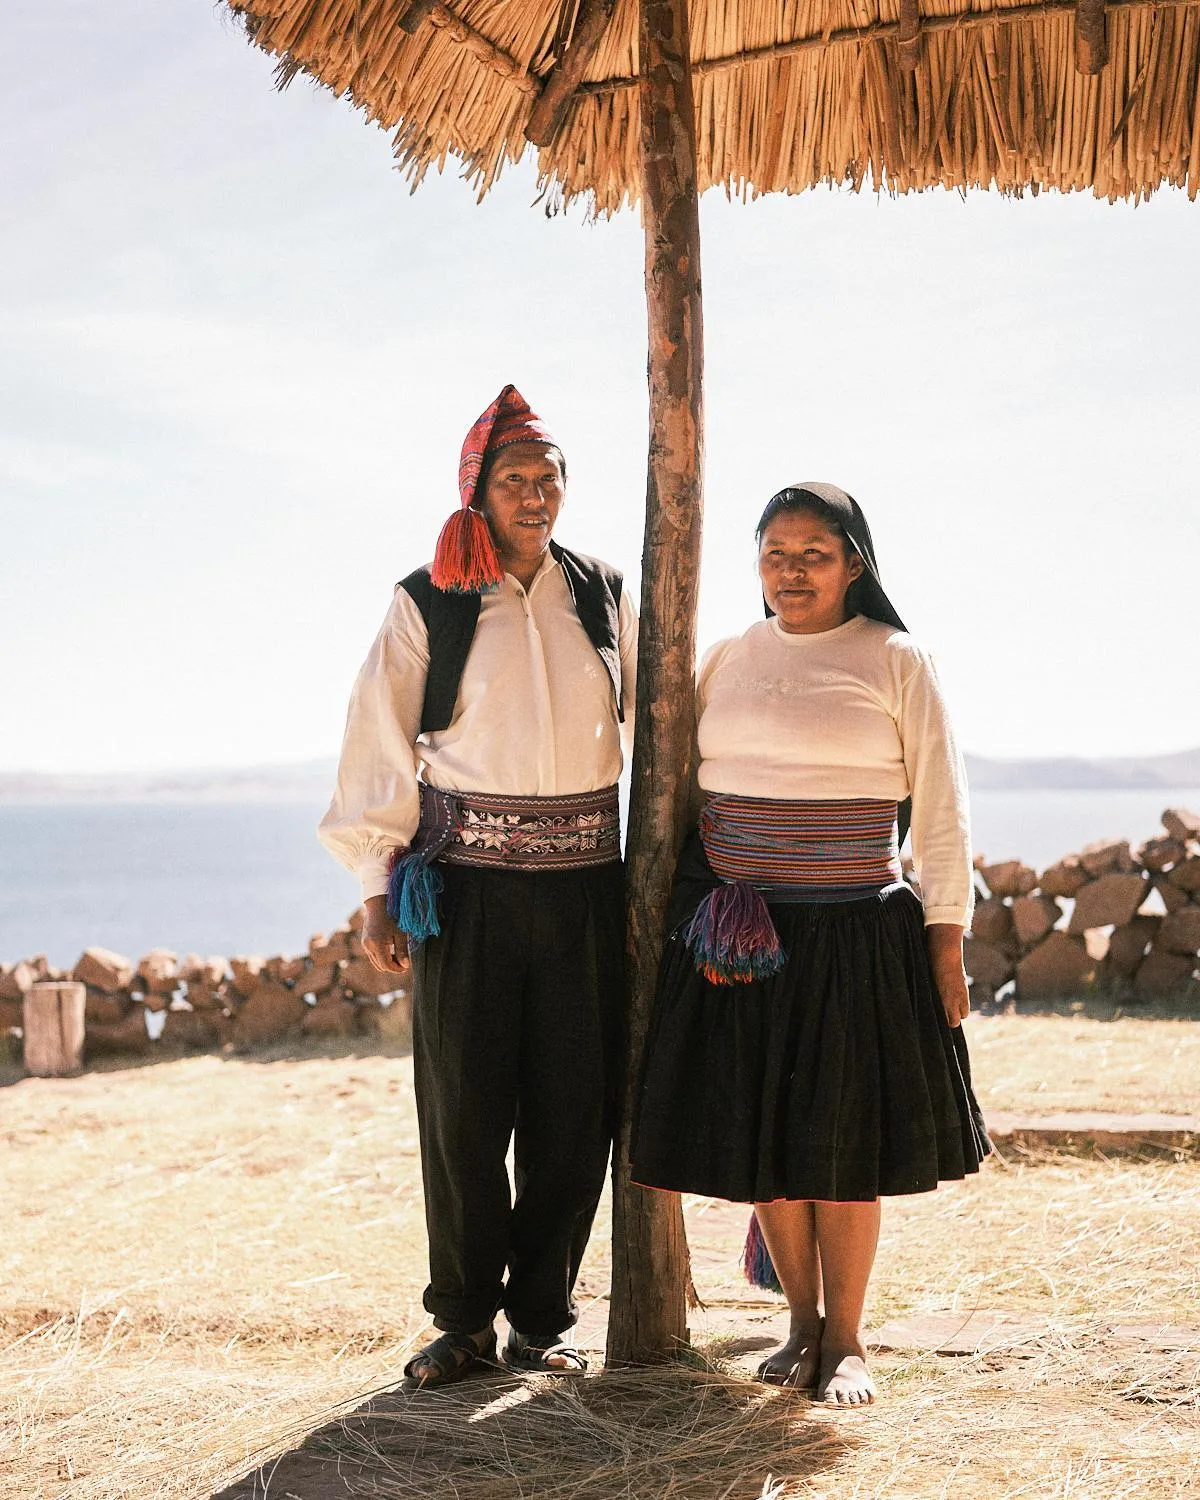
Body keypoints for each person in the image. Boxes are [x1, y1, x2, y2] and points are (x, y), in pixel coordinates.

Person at [631, 482, 989, 1407]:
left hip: (854, 939)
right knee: (767, 1139)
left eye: (813, 555)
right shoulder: (726, 658)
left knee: (842, 1149)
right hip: (738, 943)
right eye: (775, 555)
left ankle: (848, 1339)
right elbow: (681, 790)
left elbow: (941, 809)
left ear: (853, 564)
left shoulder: (897, 658)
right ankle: (799, 1324)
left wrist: (946, 941)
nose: (791, 572)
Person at [319, 385, 637, 1386]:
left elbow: (656, 722)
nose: (534, 496)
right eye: (514, 481)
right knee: (463, 1114)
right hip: (465, 895)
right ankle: (461, 1323)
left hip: (587, 891)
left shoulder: (603, 593)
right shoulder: (430, 601)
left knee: (574, 1115)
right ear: (477, 492)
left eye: (548, 479)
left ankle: (541, 1319)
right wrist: (376, 886)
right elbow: (377, 737)